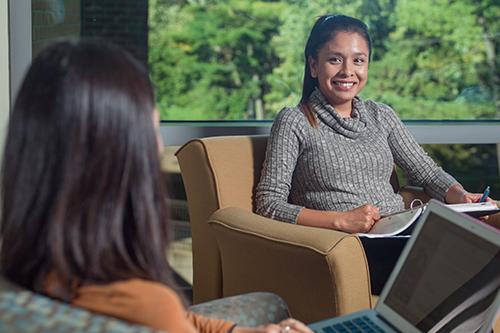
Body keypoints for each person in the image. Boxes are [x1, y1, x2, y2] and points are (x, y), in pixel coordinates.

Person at [0, 40, 312, 333]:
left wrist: (236, 330)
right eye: (152, 130)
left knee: (269, 304)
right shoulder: (148, 303)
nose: (159, 145)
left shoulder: (34, 266)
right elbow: (160, 314)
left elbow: (175, 318)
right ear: (122, 159)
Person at [254, 14, 494, 293]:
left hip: (403, 232)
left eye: (358, 60)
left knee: (480, 253)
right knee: (462, 265)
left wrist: (461, 196)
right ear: (313, 66)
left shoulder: (382, 115)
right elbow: (268, 204)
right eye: (335, 59)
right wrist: (340, 221)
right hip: (349, 248)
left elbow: (426, 172)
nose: (348, 71)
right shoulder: (295, 121)